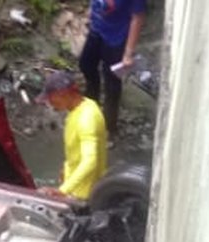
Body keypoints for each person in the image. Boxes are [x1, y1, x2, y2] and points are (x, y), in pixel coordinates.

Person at [78, 0, 147, 137]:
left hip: (116, 38)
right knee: (86, 64)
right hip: (97, 30)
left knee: (111, 82)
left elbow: (137, 18)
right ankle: (91, 109)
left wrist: (128, 53)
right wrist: (90, 16)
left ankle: (109, 127)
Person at [36, 71, 107, 201]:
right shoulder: (86, 105)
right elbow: (75, 148)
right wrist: (66, 167)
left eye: (51, 98)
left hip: (83, 193)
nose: (50, 103)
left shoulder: (87, 119)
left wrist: (63, 190)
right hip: (75, 183)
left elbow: (90, 161)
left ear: (62, 94)